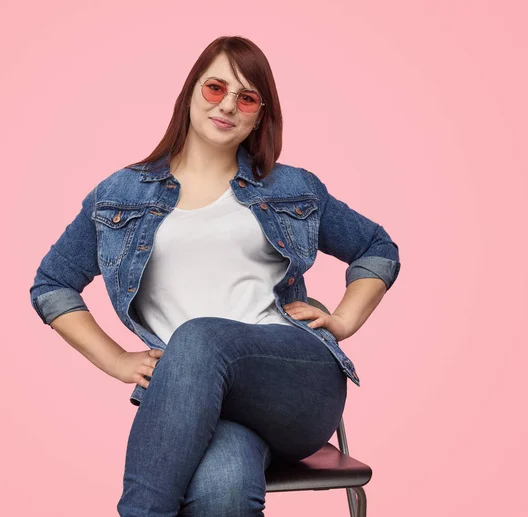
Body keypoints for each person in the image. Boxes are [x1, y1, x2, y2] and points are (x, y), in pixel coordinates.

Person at [29, 35, 401, 517]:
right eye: (214, 88)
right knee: (222, 487)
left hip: (294, 383)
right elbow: (52, 284)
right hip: (193, 402)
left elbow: (377, 247)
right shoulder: (118, 194)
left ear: (259, 115)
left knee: (201, 336)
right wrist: (118, 360)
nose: (227, 105)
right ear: (190, 92)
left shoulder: (290, 187)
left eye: (246, 97)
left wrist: (346, 319)